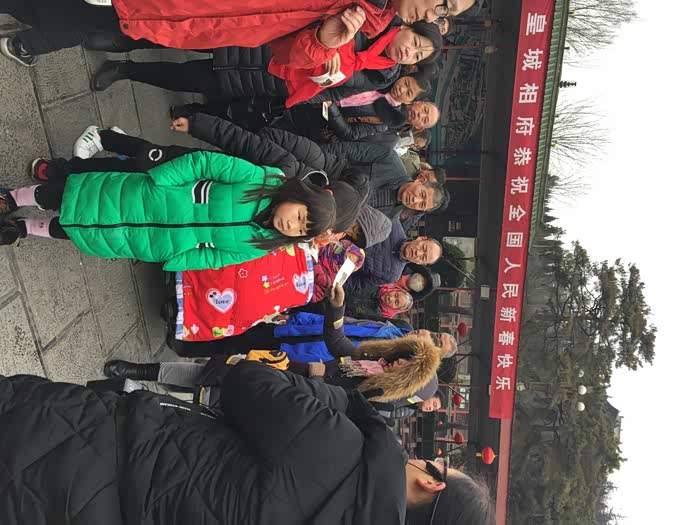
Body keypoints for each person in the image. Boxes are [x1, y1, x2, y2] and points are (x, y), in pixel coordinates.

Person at [0, 131, 336, 270]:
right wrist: (161, 181)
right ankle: (14, 197)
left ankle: (24, 228)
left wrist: (174, 258)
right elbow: (206, 163)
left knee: (79, 232)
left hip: (154, 240)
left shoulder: (261, 245)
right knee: (75, 195)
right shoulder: (260, 180)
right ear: (298, 196)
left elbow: (214, 259)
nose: (292, 225)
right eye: (300, 216)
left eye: (300, 230)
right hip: (149, 196)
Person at [91, 21, 441, 112]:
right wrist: (328, 45)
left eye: (416, 56)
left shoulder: (379, 76)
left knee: (186, 79)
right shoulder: (371, 21)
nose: (409, 52)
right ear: (408, 28)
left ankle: (124, 71)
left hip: (275, 81)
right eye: (415, 43)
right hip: (269, 44)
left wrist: (321, 81)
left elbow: (333, 93)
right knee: (185, 37)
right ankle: (124, 38)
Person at [345, 219, 442, 291]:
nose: (418, 253)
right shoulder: (392, 223)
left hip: (338, 264)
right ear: (421, 238)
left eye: (423, 257)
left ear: (421, 263)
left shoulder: (392, 275)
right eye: (423, 248)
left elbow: (356, 282)